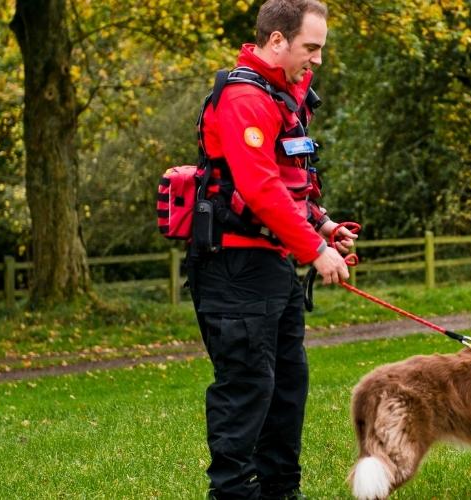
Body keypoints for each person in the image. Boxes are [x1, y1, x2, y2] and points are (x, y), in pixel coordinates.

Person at [187, 1, 354, 498]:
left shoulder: (281, 96)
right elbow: (257, 188)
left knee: (286, 386)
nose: (317, 60)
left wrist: (322, 227)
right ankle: (233, 493)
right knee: (246, 389)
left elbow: (288, 183)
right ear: (277, 41)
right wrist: (313, 251)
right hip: (235, 268)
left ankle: (282, 491)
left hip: (272, 265)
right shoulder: (245, 98)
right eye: (311, 47)